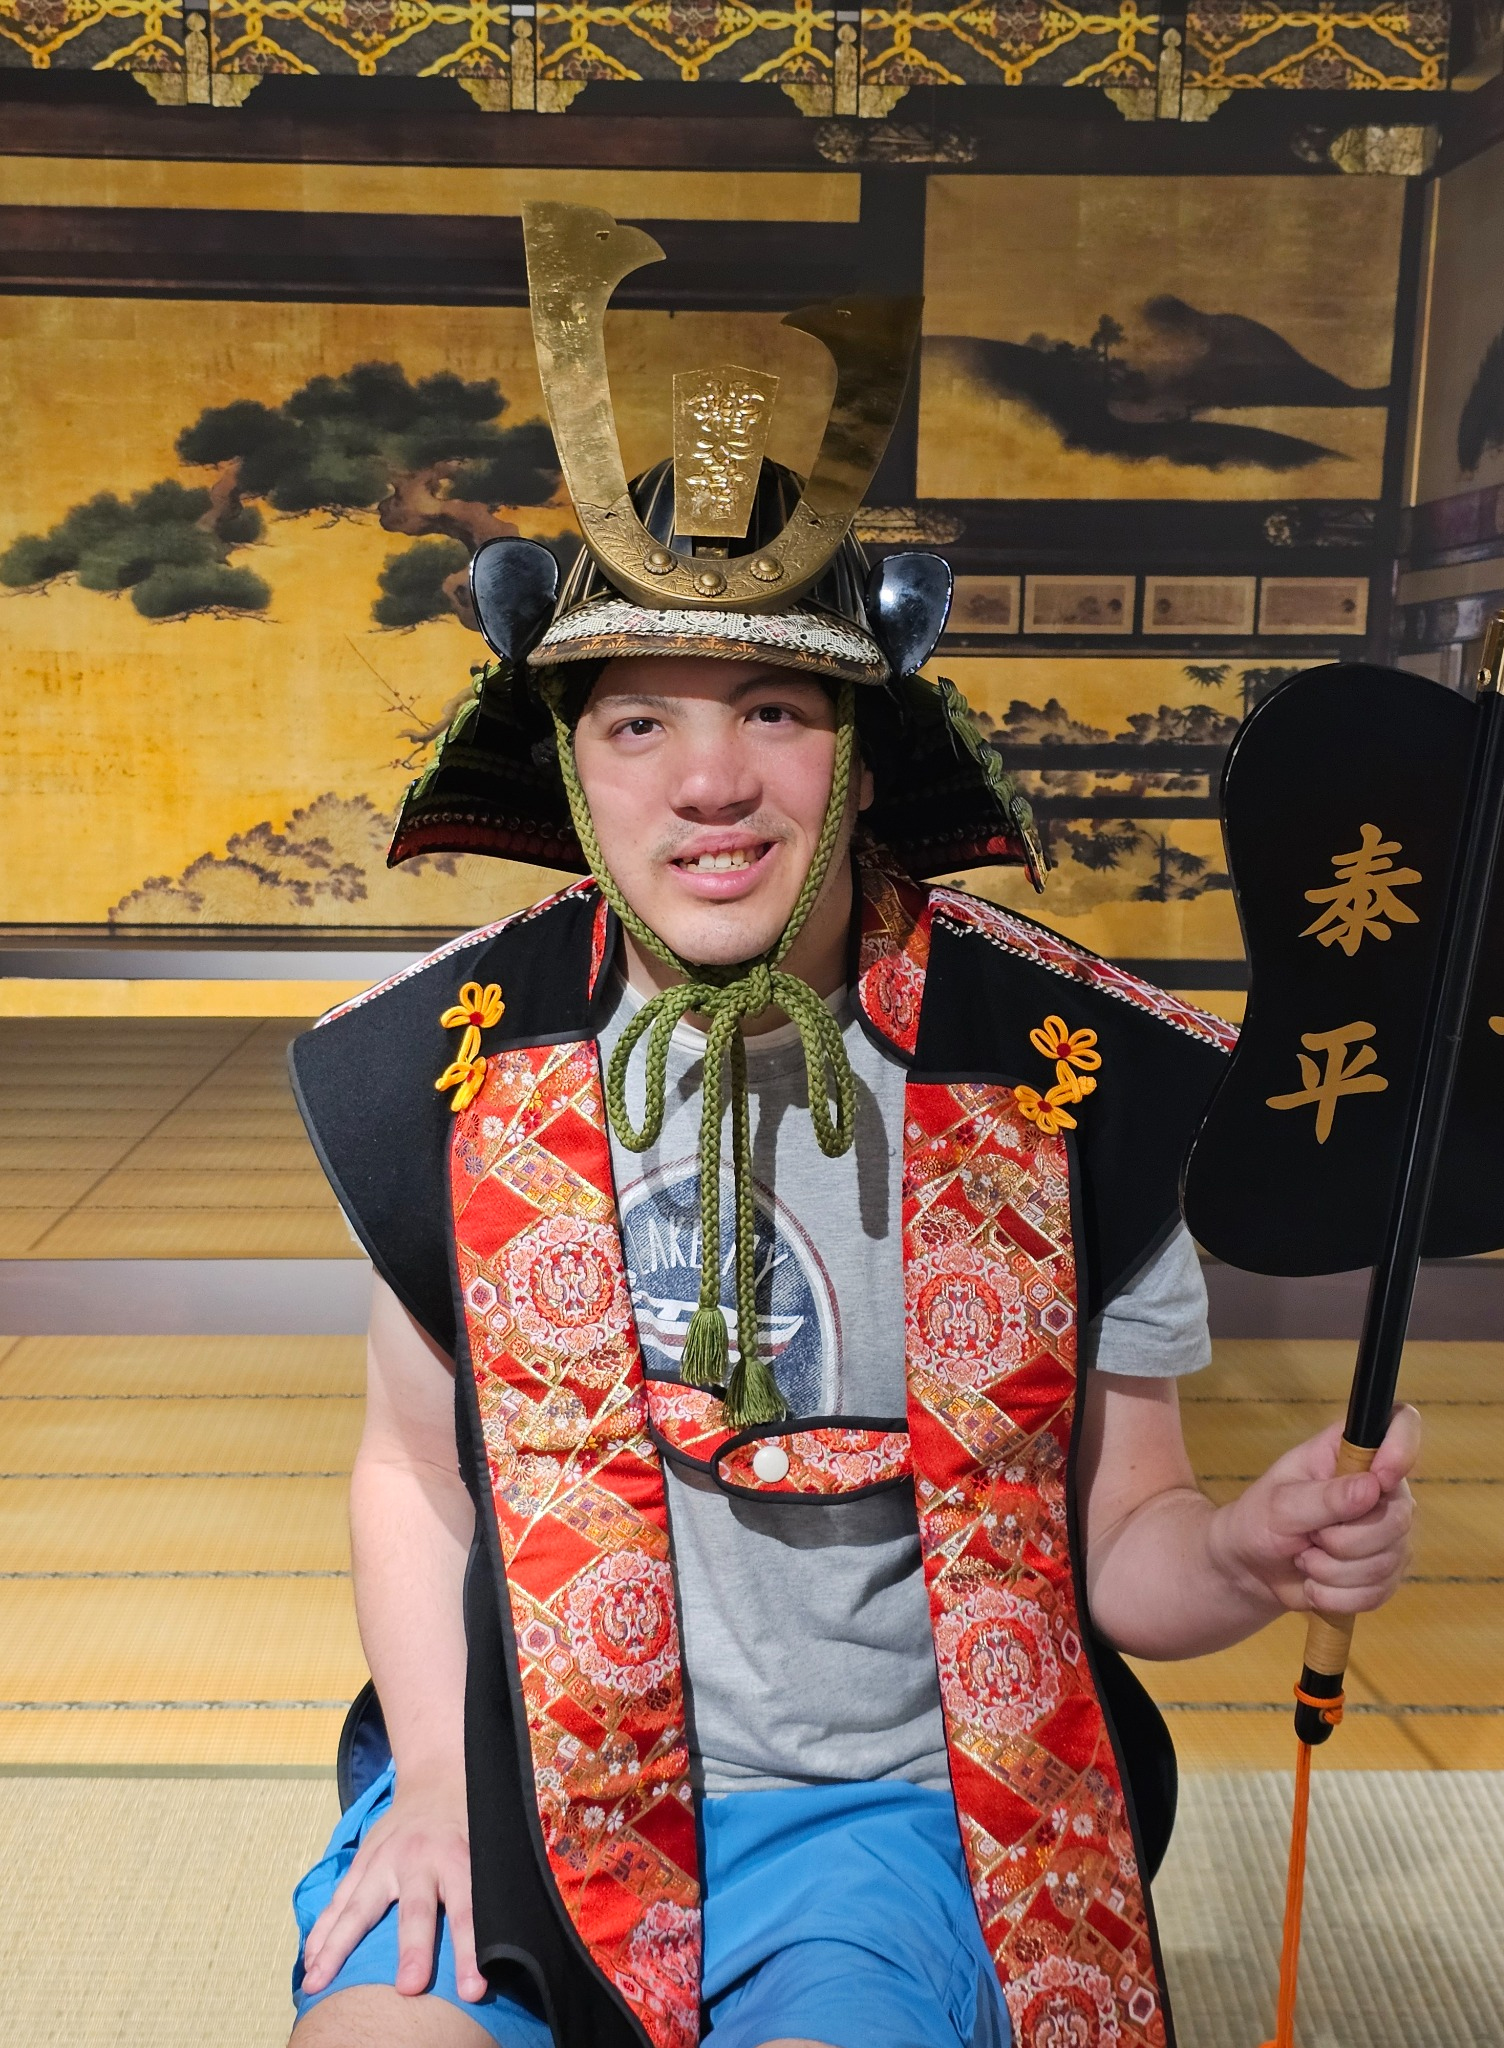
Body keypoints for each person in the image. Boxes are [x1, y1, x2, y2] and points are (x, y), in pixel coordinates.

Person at [286, 204, 1416, 2048]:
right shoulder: (457, 1063)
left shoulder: (1063, 1082)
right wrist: (427, 1777)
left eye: (773, 705)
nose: (710, 778)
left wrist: (1248, 1554)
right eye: (635, 720)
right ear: (567, 766)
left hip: (901, 1807)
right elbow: (413, 1477)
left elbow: (1128, 1542)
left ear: (868, 746)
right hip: (530, 1763)